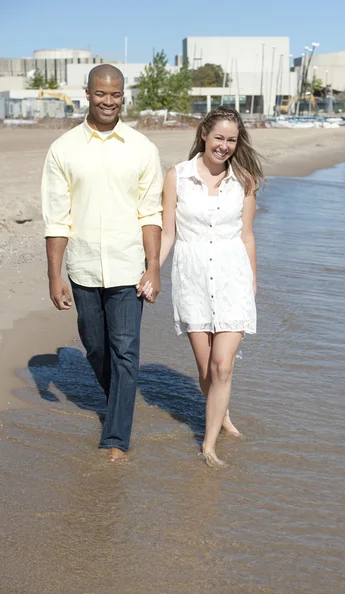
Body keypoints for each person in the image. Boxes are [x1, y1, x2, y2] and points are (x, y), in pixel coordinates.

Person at [41, 64, 162, 462]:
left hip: (130, 267)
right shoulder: (64, 149)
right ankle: (120, 401)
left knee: (125, 350)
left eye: (115, 94)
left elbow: (150, 215)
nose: (108, 101)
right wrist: (53, 274)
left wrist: (154, 267)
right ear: (87, 94)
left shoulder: (143, 148)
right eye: (100, 94)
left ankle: (115, 438)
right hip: (84, 267)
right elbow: (58, 218)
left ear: (123, 95)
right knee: (96, 348)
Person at [158, 106, 263, 467]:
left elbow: (247, 237)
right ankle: (224, 415)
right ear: (204, 134)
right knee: (206, 372)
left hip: (233, 279)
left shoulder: (245, 180)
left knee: (222, 367)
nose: (224, 145)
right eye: (219, 137)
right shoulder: (178, 176)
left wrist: (253, 281)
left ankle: (208, 445)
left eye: (232, 139)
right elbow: (168, 234)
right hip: (192, 281)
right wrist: (151, 270)